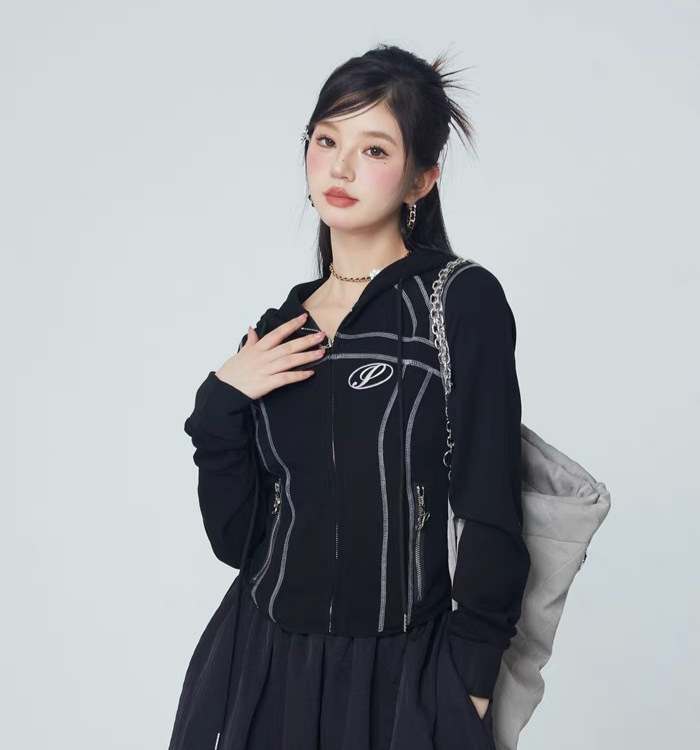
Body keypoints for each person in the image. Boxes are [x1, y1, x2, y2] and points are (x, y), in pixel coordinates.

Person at [167, 43, 531, 750]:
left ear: (421, 180)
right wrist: (219, 404)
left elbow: (490, 504)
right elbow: (236, 542)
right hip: (262, 665)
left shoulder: (459, 302)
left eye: (374, 149)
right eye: (327, 140)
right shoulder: (280, 330)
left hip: (406, 672)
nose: (339, 168)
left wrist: (471, 680)